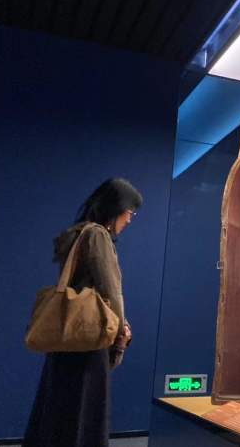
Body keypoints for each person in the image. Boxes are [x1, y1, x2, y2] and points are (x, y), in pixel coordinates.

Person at [24, 178, 142, 447]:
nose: (130, 219)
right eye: (130, 212)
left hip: (69, 334)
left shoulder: (77, 233)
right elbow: (111, 290)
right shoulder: (98, 236)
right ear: (117, 208)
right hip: (89, 338)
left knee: (58, 409)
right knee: (84, 411)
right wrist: (121, 330)